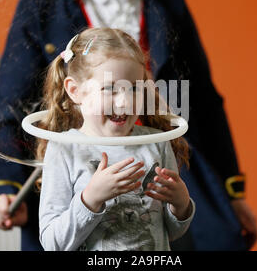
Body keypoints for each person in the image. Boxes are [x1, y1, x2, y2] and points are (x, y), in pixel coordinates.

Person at [0, 0, 257, 251]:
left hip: (162, 159)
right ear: (73, 90)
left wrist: (232, 193)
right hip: (80, 166)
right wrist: (7, 185)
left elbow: (203, 100)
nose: (124, 101)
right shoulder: (40, 5)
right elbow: (9, 103)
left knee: (222, 239)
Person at [37, 27, 195, 250]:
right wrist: (90, 199)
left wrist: (181, 205)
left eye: (133, 89)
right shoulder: (65, 150)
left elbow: (173, 232)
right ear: (75, 91)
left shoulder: (157, 143)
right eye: (110, 89)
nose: (125, 102)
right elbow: (53, 243)